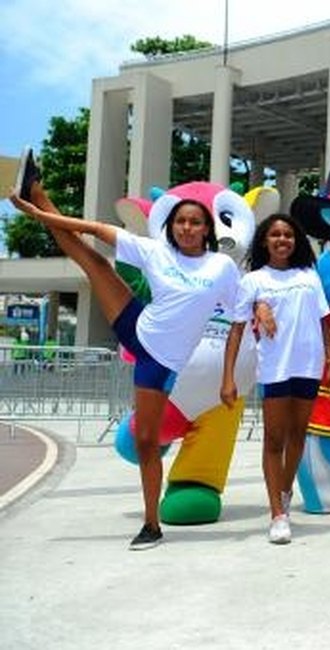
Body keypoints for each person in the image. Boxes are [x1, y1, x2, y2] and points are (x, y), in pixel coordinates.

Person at [11, 167, 239, 550]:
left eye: (195, 222)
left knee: (147, 441)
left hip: (159, 362)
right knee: (94, 262)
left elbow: (238, 320)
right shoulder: (156, 251)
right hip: (136, 324)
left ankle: (151, 524)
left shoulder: (222, 268)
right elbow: (96, 230)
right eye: (180, 221)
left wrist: (228, 376)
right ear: (172, 226)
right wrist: (39, 213)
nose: (186, 228)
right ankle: (38, 192)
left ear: (206, 229)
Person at [220, 214, 330, 544]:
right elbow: (237, 329)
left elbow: (324, 321)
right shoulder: (253, 280)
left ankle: (283, 494)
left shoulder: (309, 276)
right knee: (274, 439)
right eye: (275, 235)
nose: (282, 240)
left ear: (295, 241)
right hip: (275, 368)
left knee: (298, 436)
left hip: (309, 367)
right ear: (264, 241)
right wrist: (227, 377)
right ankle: (277, 514)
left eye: (288, 234)